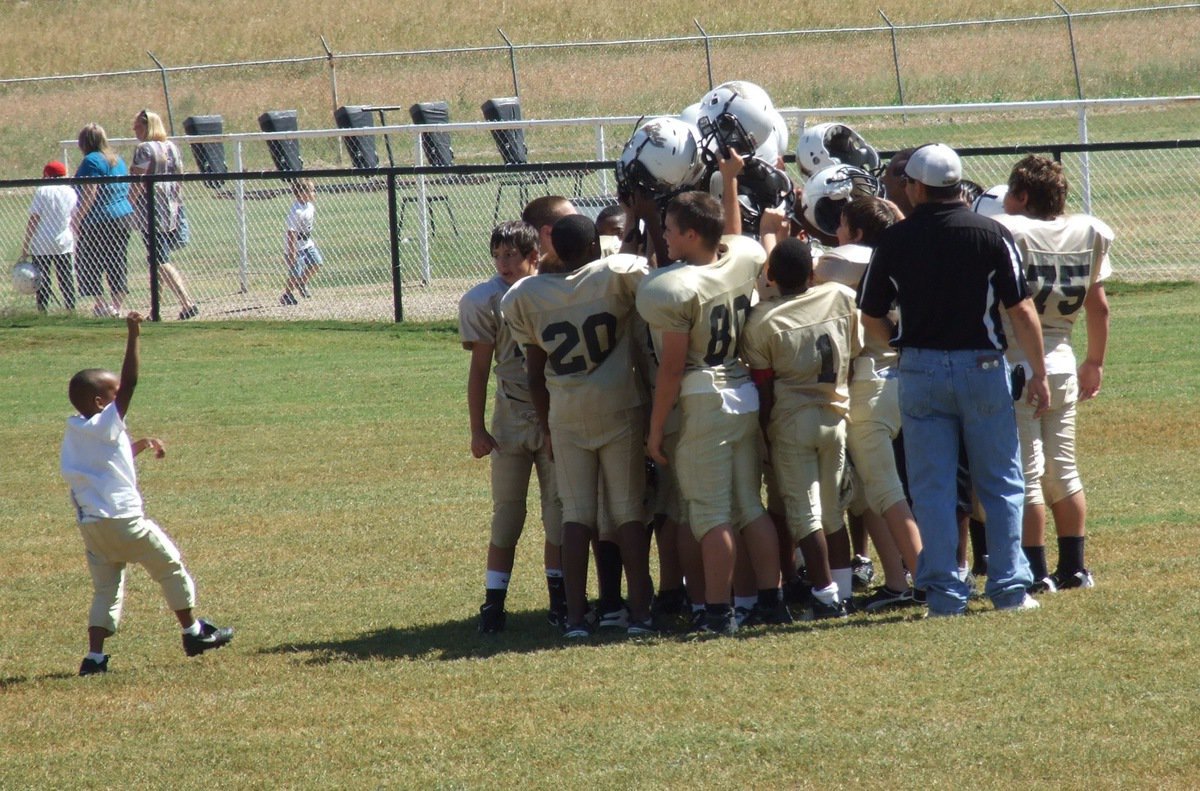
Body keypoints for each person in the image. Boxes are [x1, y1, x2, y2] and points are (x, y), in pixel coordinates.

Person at [858, 143, 1049, 616]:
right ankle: (1008, 588)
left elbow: (870, 314)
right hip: (982, 366)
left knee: (932, 485)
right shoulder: (990, 232)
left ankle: (944, 594)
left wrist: (899, 345)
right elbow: (1021, 309)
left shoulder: (895, 240)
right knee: (1001, 480)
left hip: (920, 370)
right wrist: (1039, 372)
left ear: (916, 187)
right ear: (958, 185)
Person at [635, 157, 786, 636]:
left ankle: (718, 612)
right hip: (741, 390)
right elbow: (733, 238)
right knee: (750, 507)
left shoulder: (673, 288)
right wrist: (730, 180)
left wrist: (656, 429)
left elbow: (672, 369)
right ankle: (771, 600)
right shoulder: (739, 258)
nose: (665, 235)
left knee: (710, 514)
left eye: (672, 230)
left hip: (704, 396)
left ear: (692, 236)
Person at [501, 214, 653, 637]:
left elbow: (534, 373)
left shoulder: (526, 295)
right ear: (592, 248)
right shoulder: (615, 274)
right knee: (627, 513)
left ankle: (573, 618)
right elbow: (644, 278)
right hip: (618, 404)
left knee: (576, 514)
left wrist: (548, 426)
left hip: (565, 411)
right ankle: (640, 612)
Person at [60, 312, 232, 676]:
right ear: (99, 403)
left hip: (93, 528)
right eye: (113, 392)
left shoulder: (76, 430)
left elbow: (105, 461)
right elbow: (132, 383)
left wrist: (139, 445)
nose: (120, 394)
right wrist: (133, 335)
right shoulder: (105, 420)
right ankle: (193, 632)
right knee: (169, 566)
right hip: (125, 522)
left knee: (106, 590)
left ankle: (94, 658)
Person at [995, 155, 1112, 592]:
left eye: (1010, 194)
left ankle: (1035, 572)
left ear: (1023, 195)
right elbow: (1099, 306)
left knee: (1026, 474)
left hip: (1018, 362)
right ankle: (1075, 568)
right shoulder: (1086, 231)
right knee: (1062, 469)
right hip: (1063, 359)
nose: (1004, 202)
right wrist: (1094, 362)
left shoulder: (1012, 232)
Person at [742, 238, 863, 619]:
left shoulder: (763, 321)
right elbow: (854, 354)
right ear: (812, 274)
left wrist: (766, 432)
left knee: (804, 513)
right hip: (835, 415)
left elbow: (764, 389)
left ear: (770, 276)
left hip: (792, 421)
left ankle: (826, 596)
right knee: (832, 512)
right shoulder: (841, 297)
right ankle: (841, 592)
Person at [816, 197, 926, 612]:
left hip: (872, 386)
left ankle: (926, 578)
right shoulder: (910, 253)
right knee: (871, 495)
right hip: (907, 378)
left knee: (885, 490)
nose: (836, 235)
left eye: (842, 227)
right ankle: (898, 581)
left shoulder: (843, 262)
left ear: (857, 233)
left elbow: (805, 271)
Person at [459, 220, 564, 632]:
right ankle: (493, 602)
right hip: (511, 412)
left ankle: (560, 598)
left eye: (512, 255)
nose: (503, 263)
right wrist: (476, 428)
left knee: (558, 514)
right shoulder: (485, 300)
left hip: (556, 412)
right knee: (507, 513)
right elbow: (480, 369)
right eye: (498, 255)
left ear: (533, 257)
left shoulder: (552, 291)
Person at [129, 109, 199, 320]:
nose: (135, 130)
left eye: (138, 126)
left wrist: (128, 205)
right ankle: (155, 310)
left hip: (151, 209)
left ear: (148, 126)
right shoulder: (172, 148)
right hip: (171, 208)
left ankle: (187, 302)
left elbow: (138, 182)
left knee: (159, 258)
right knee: (156, 260)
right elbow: (179, 179)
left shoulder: (143, 149)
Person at [73, 123, 134, 318]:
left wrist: (77, 218)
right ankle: (116, 306)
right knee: (117, 261)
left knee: (89, 261)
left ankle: (101, 304)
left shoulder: (90, 161)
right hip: (123, 217)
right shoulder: (118, 160)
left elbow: (90, 192)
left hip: (99, 220)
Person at [21, 161, 77, 313]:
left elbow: (34, 218)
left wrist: (26, 245)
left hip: (42, 242)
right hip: (64, 241)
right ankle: (71, 308)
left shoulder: (43, 190)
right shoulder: (70, 191)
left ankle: (42, 309)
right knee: (66, 277)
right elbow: (74, 217)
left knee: (42, 278)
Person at [280, 179, 323, 306]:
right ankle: (287, 295)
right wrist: (291, 252)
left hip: (307, 244)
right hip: (296, 247)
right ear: (302, 193)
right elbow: (291, 232)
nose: (314, 193)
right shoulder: (296, 211)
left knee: (317, 263)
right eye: (311, 191)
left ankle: (302, 283)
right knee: (295, 272)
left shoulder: (310, 206)